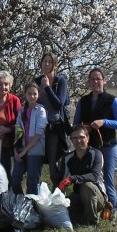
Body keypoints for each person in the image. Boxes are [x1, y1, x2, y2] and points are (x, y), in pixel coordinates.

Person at [73, 67, 117, 222]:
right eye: (92, 79)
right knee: (92, 179)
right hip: (90, 148)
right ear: (89, 82)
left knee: (108, 179)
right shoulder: (84, 101)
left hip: (108, 145)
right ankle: (93, 208)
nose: (95, 82)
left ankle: (112, 212)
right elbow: (76, 123)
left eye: (98, 79)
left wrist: (104, 122)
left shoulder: (112, 100)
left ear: (104, 81)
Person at [33, 51, 70, 186]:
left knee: (54, 165)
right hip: (38, 128)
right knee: (36, 163)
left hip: (54, 127)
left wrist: (47, 87)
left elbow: (58, 104)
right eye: (44, 61)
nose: (47, 64)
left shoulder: (60, 81)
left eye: (50, 62)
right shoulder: (36, 81)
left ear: (55, 65)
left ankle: (57, 196)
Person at [57, 125, 106, 225]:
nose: (78, 141)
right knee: (61, 207)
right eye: (74, 138)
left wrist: (72, 178)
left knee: (87, 186)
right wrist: (57, 197)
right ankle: (80, 217)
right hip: (78, 196)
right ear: (71, 140)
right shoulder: (68, 158)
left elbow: (95, 176)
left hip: (97, 196)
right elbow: (62, 180)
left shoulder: (96, 154)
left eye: (81, 137)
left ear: (87, 138)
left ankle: (91, 222)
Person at [11, 81, 47, 196]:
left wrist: (26, 151)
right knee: (15, 180)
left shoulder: (40, 110)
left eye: (34, 94)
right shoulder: (22, 111)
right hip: (21, 149)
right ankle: (21, 202)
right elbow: (18, 130)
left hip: (34, 151)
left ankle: (33, 208)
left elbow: (38, 133)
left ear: (38, 95)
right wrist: (16, 150)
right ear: (24, 95)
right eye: (29, 94)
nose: (32, 96)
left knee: (32, 183)